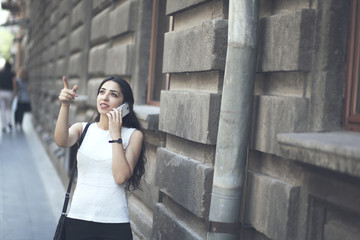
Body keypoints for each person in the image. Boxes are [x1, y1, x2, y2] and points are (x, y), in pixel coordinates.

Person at [54, 76, 146, 240]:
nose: (105, 97)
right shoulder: (83, 129)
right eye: (102, 92)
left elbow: (120, 177)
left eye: (114, 94)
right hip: (78, 218)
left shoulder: (133, 135)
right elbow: (61, 141)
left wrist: (115, 134)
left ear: (125, 106)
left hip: (114, 224)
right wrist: (65, 105)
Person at [0, 61, 16, 132]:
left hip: (1, 92)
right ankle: (9, 122)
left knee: (2, 109)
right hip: (9, 92)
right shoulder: (12, 73)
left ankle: (3, 125)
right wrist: (15, 92)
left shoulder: (1, 73)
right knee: (8, 108)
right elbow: (14, 83)